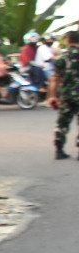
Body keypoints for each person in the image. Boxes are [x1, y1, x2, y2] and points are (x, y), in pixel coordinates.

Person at [47, 30, 79, 159]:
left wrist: (53, 96)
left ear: (67, 41)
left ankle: (59, 150)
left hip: (66, 96)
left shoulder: (61, 59)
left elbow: (55, 79)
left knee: (62, 122)